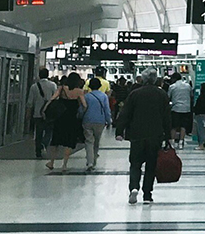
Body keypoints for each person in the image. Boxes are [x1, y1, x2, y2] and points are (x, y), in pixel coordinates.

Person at [115, 68, 172, 205]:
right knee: (151, 166)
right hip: (155, 134)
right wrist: (168, 135)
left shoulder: (135, 94)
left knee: (135, 164)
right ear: (155, 79)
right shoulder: (162, 94)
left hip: (137, 135)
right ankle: (147, 194)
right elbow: (166, 117)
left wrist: (119, 131)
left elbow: (125, 113)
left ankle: (134, 188)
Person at [45, 74, 85, 172]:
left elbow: (53, 98)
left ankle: (51, 162)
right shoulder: (79, 91)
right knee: (69, 142)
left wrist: (45, 108)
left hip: (60, 118)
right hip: (72, 119)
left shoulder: (62, 88)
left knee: (56, 141)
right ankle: (64, 164)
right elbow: (85, 105)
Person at [82, 77, 112, 171]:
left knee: (88, 141)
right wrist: (109, 120)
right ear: (99, 86)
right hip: (100, 121)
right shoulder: (104, 96)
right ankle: (94, 159)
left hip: (87, 120)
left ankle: (89, 161)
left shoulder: (86, 96)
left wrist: (79, 116)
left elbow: (82, 108)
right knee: (96, 141)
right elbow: (107, 109)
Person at [29, 68, 57, 159]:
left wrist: (28, 113)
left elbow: (30, 102)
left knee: (38, 133)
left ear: (39, 75)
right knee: (49, 131)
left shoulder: (34, 86)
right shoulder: (53, 85)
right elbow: (55, 99)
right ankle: (44, 144)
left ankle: (38, 152)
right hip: (49, 114)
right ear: (48, 75)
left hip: (37, 113)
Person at [168, 74, 192, 148]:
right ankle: (181, 142)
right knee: (183, 126)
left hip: (176, 108)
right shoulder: (188, 86)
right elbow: (191, 95)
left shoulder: (172, 87)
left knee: (174, 126)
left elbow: (168, 96)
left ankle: (172, 142)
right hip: (186, 109)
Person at [192, 82, 205, 150]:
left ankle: (201, 145)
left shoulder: (202, 97)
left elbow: (199, 106)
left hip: (200, 115)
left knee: (201, 130)